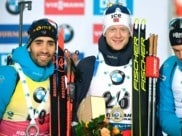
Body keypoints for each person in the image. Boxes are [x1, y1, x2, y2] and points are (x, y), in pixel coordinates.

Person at [72, 3, 133, 136]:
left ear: (130, 32)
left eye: (123, 29)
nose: (118, 35)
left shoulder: (142, 65)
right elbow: (75, 115)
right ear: (105, 32)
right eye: (112, 29)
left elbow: (154, 113)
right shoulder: (88, 65)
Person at [0, 18, 58, 135]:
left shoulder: (56, 78)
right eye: (38, 43)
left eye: (50, 44)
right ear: (29, 46)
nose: (45, 50)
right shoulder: (9, 74)